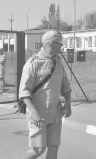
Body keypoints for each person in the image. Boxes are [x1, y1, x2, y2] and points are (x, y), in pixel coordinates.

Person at [19, 31, 72, 159]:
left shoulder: (58, 62)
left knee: (53, 149)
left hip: (55, 113)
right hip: (38, 114)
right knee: (38, 149)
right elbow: (24, 92)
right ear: (50, 44)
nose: (61, 47)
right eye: (59, 44)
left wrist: (68, 104)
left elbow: (66, 86)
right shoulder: (33, 63)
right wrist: (35, 114)